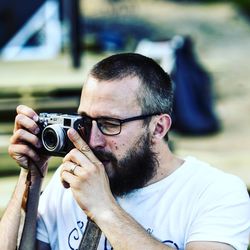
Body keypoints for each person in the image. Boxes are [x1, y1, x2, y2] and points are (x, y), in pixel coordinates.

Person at [1, 53, 250, 250]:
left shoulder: (215, 192)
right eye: (86, 121)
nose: (93, 140)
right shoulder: (69, 183)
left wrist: (103, 208)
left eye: (110, 124)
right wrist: (31, 177)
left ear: (158, 127)